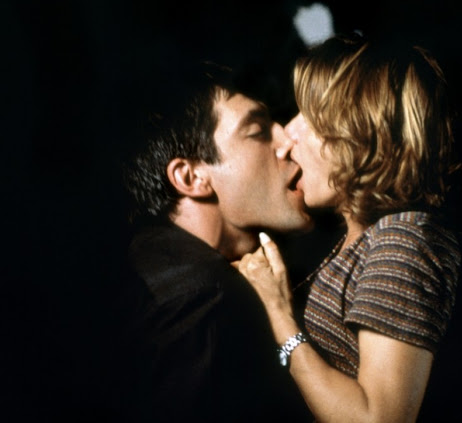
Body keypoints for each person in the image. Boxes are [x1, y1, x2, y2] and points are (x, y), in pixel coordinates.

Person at [237, 33, 462, 422]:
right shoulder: (365, 237)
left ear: (360, 134)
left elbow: (377, 419)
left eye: (309, 118)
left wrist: (279, 313)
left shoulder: (404, 239)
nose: (288, 135)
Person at [114, 61, 313, 422]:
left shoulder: (155, 265)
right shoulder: (202, 300)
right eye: (257, 131)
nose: (287, 141)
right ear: (191, 177)